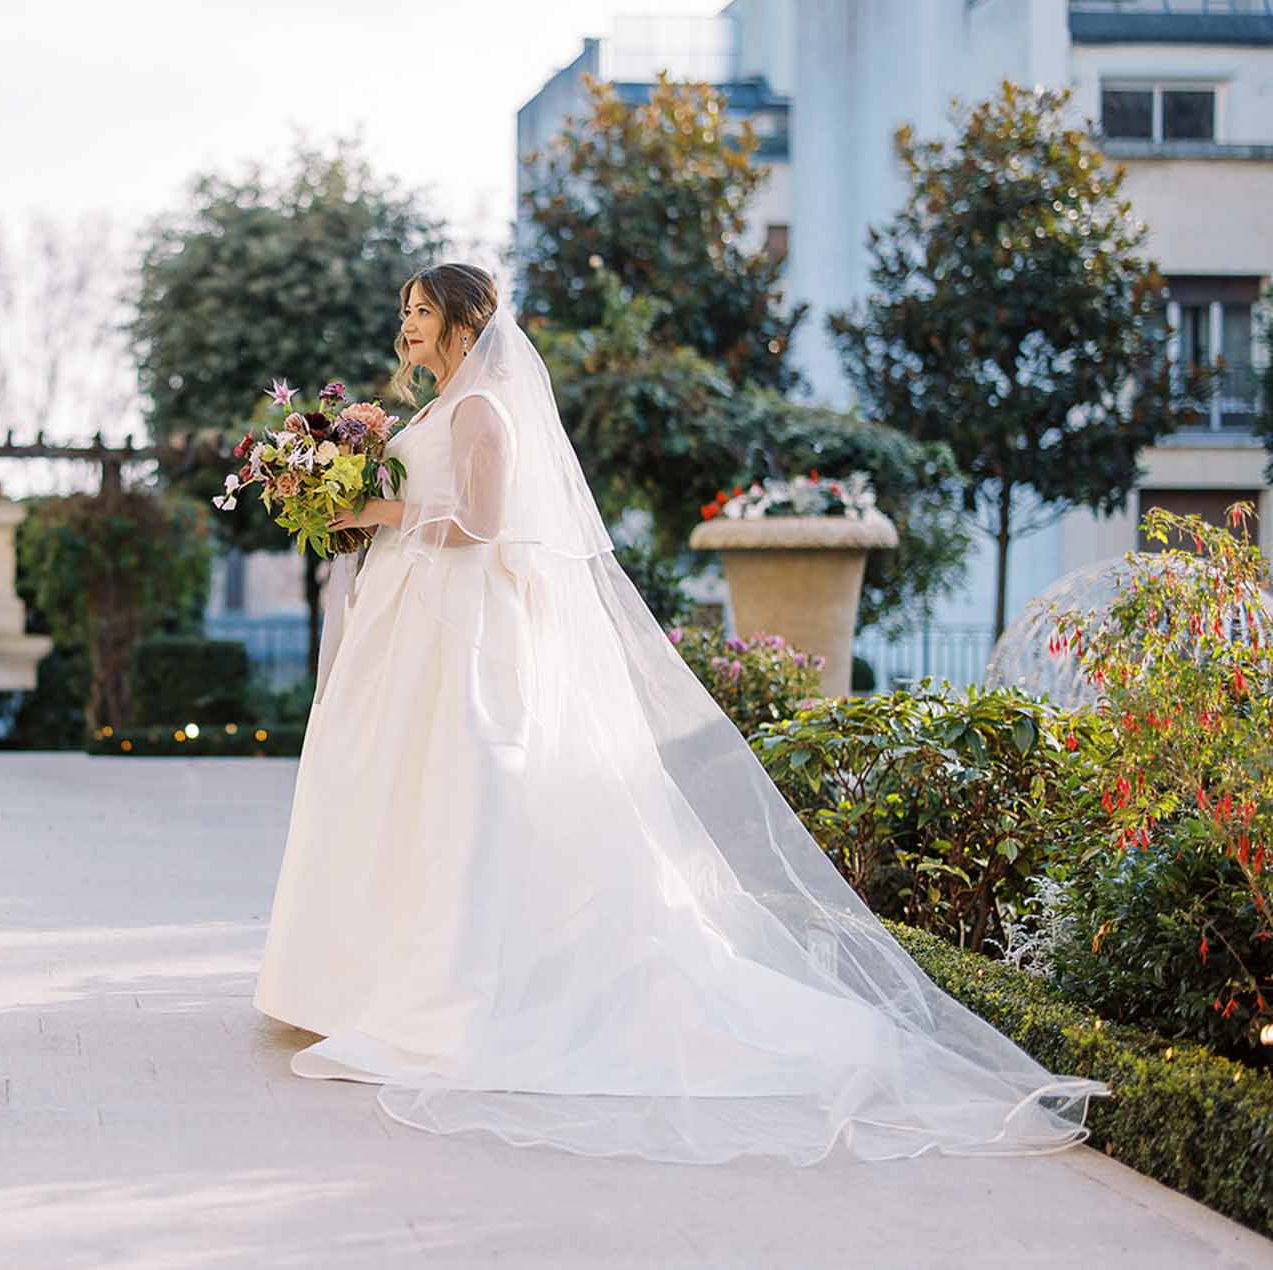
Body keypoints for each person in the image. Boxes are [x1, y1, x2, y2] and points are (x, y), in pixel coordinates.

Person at [250, 262, 1105, 1164]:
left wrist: (372, 505)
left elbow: (484, 527)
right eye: (406, 311)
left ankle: (449, 992)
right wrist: (347, 507)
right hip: (415, 630)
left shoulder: (483, 410)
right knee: (401, 798)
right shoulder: (432, 410)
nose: (407, 324)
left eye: (422, 311)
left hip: (460, 638)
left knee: (462, 802)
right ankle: (363, 981)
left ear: (466, 324)